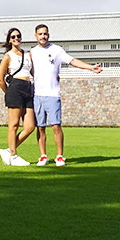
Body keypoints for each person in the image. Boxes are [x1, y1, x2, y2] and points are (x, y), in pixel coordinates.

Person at [30, 24, 102, 166]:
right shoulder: (31, 52)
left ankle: (60, 156)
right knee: (40, 127)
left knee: (56, 126)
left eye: (45, 33)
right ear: (35, 36)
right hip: (37, 94)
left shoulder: (57, 50)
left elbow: (72, 61)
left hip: (52, 94)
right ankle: (43, 156)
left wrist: (90, 67)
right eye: (40, 34)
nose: (43, 36)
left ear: (48, 35)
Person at [0, 27, 36, 166]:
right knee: (14, 125)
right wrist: (8, 92)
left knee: (30, 126)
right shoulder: (8, 56)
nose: (16, 38)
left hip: (28, 87)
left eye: (18, 36)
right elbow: (0, 78)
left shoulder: (28, 54)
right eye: (13, 37)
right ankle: (13, 155)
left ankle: (8, 150)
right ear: (9, 40)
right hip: (15, 88)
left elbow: (32, 71)